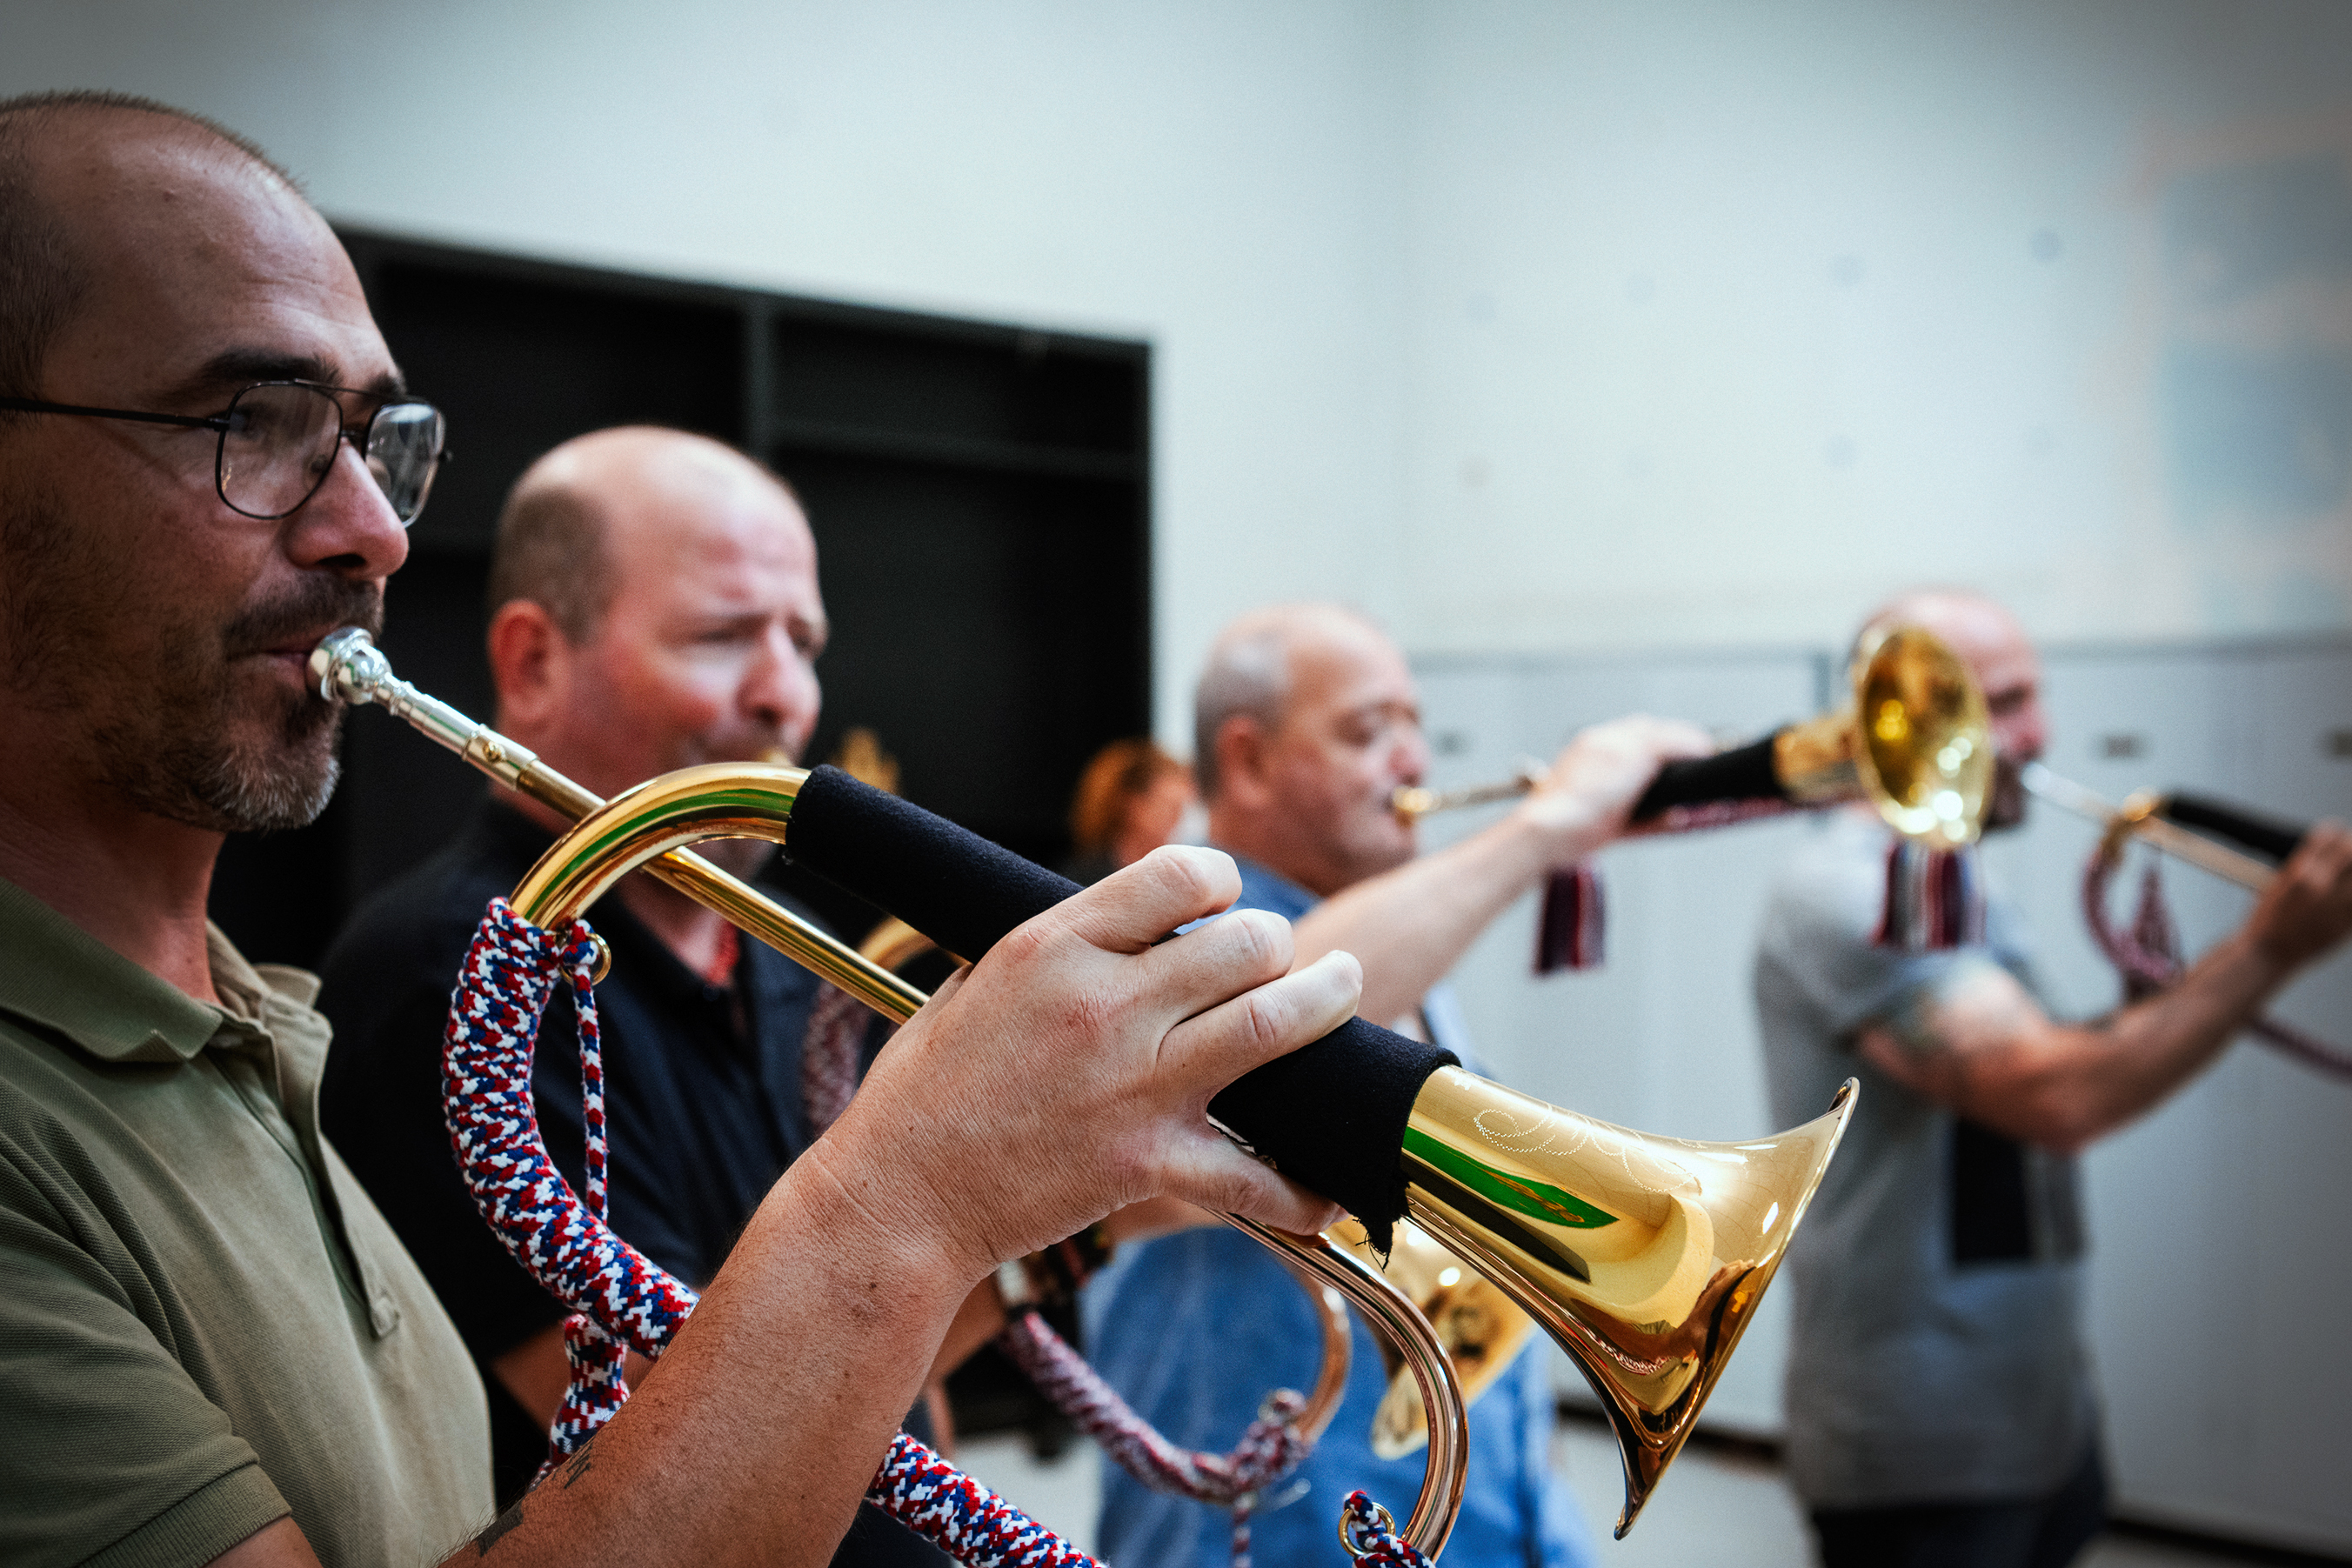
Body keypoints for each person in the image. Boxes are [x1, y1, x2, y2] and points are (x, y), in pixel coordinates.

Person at [0, 90, 1359, 1568]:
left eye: (372, 438)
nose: (376, 534)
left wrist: (1001, 1203)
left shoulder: (259, 1027)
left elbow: (866, 1427)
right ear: (527, 665)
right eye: (249, 423)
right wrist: (922, 1196)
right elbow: (693, 1413)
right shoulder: (455, 970)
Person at [1086, 603, 1710, 1568]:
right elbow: (1277, 1017)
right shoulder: (1180, 943)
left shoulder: (1395, 944)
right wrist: (1545, 829)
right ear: (1246, 762)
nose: (1412, 759)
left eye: (1415, 724)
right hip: (1275, 1530)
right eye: (1367, 731)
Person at [1755, 588, 2352, 1568]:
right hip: (1922, 1445)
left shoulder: (1953, 876)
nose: (2040, 734)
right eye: (2001, 703)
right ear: (1891, 719)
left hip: (2036, 1414)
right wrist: (2268, 951)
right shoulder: (1849, 890)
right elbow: (2054, 1094)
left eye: (2032, 697)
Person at [1063, 737, 1194, 884]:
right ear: (1133, 805)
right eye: (1171, 807)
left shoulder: (1178, 880)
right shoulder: (1079, 883)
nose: (1178, 820)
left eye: (1182, 809)